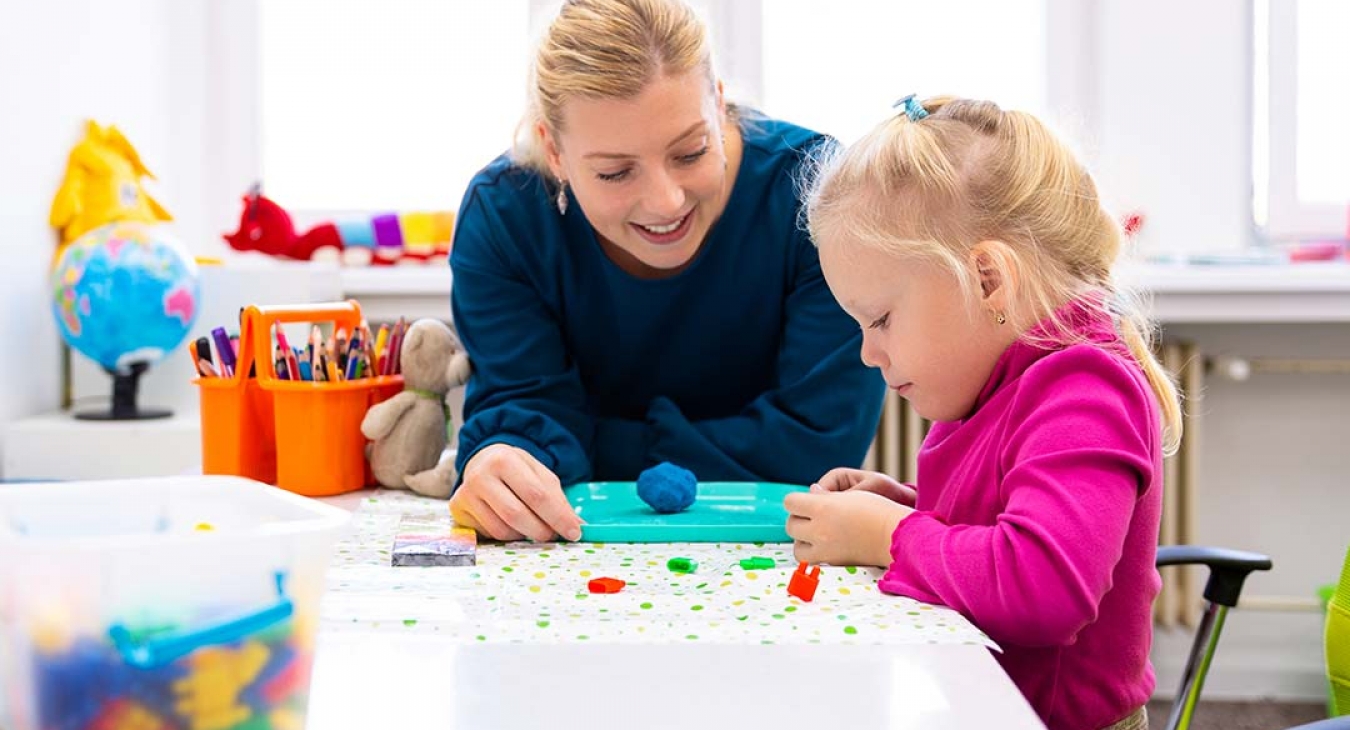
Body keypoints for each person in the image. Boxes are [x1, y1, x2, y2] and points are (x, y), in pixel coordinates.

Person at [784, 95, 1182, 730]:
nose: (866, 353)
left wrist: (888, 535)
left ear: (989, 279)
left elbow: (1043, 588)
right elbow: (1005, 524)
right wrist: (910, 507)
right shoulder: (996, 380)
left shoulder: (1085, 387)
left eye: (881, 319)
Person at [448, 0, 884, 543]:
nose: (665, 202)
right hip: (577, 549)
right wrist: (503, 461)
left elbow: (817, 444)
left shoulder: (817, 195)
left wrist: (587, 446)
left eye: (691, 151)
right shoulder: (504, 218)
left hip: (781, 544)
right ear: (553, 151)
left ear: (719, 104)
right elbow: (522, 415)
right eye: (614, 172)